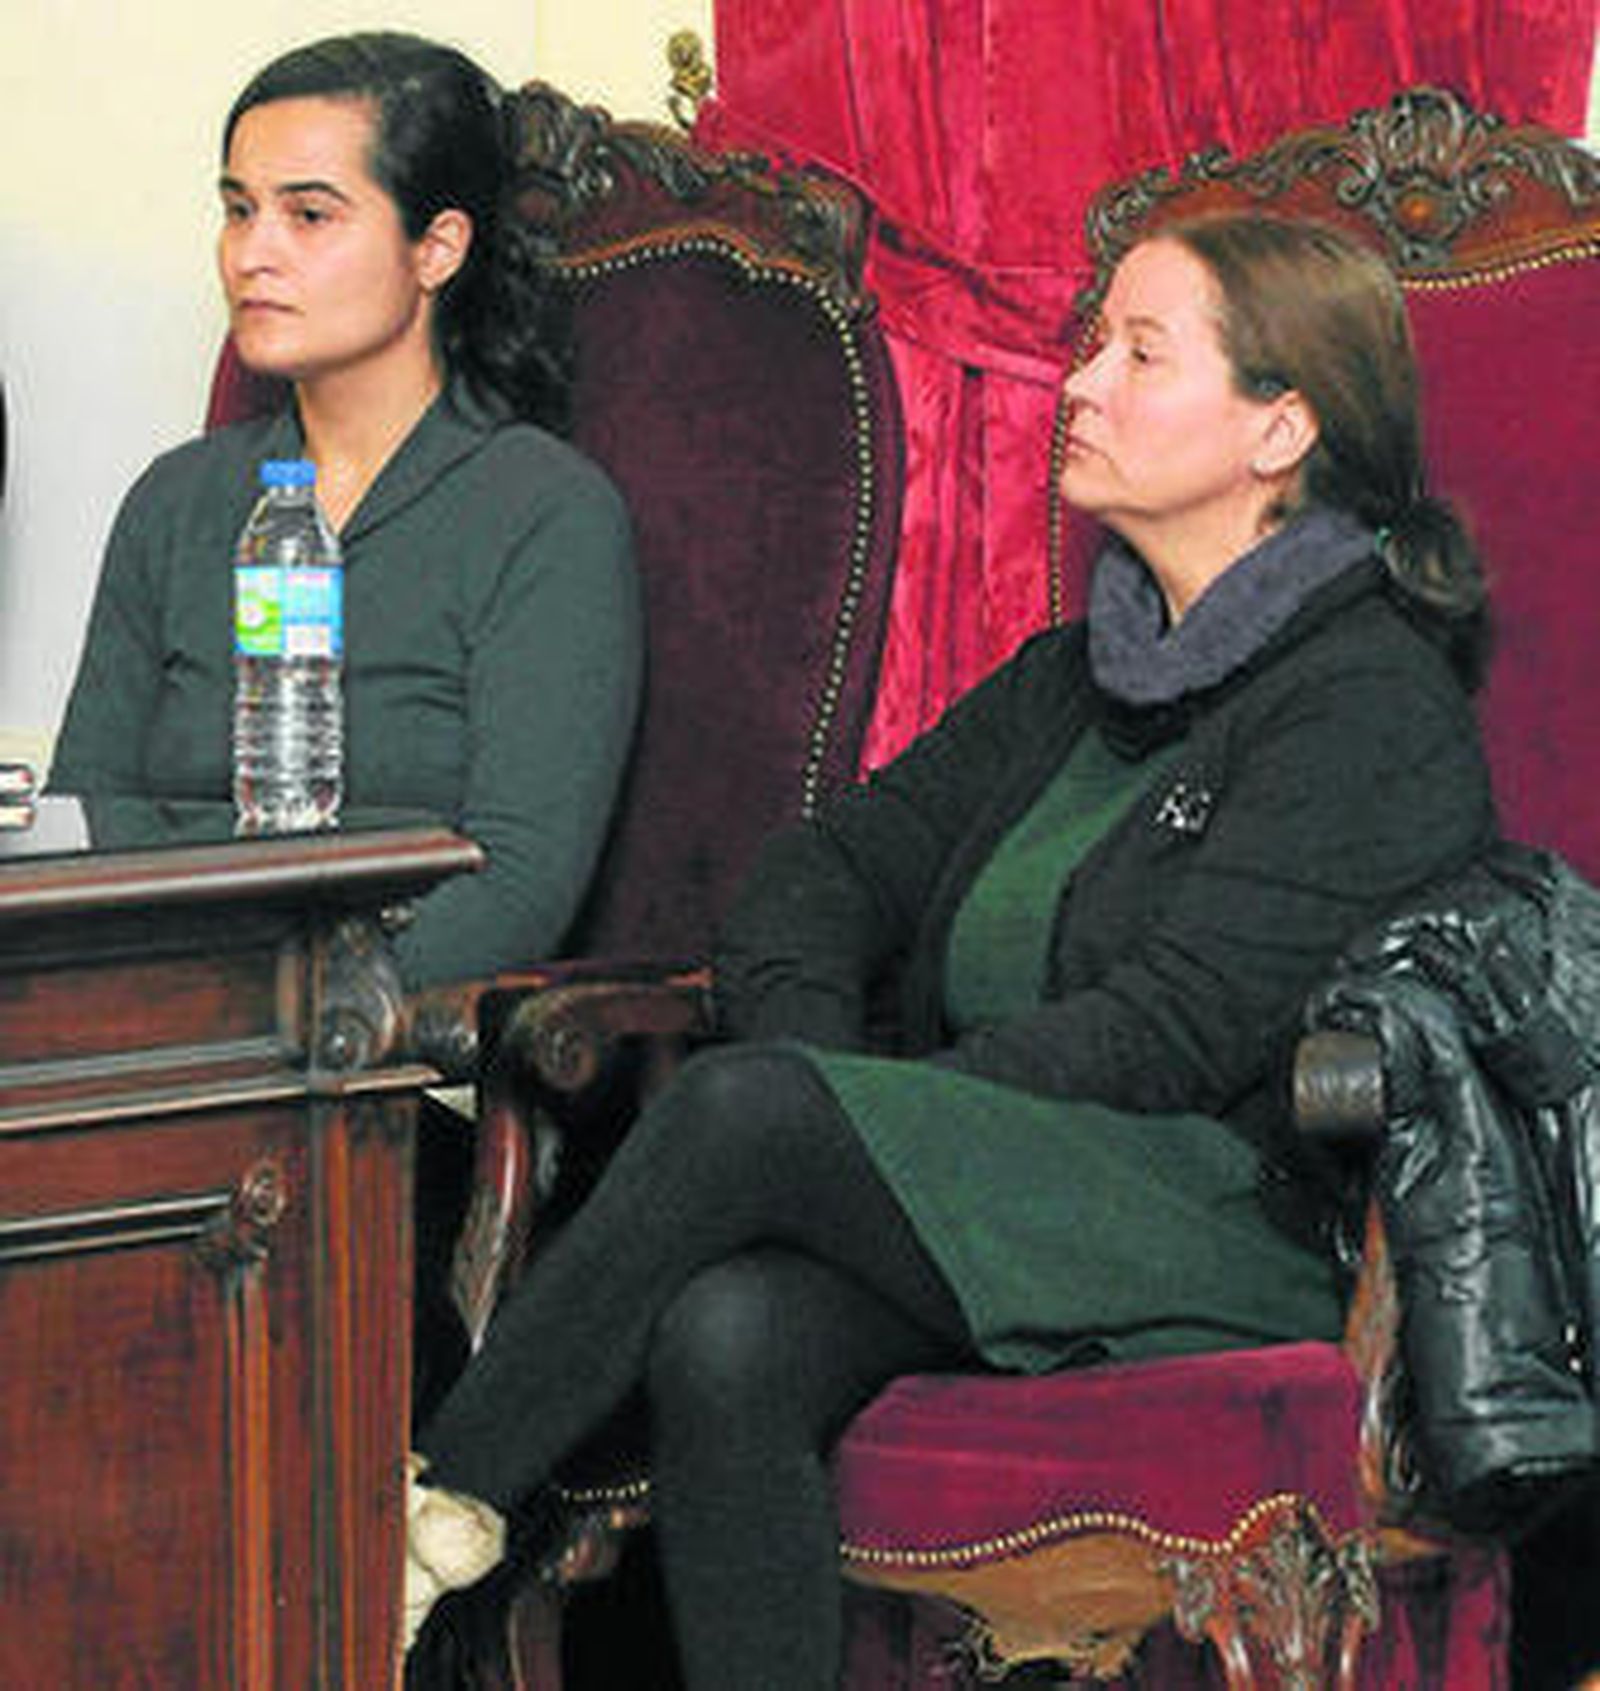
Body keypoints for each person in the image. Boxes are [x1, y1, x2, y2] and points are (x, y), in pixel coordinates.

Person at [403, 213, 1498, 1686]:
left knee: (750, 1106)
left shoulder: (1367, 702)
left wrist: (859, 1119)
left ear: (1278, 428)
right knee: (729, 1330)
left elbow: (1169, 1036)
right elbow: (821, 870)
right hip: (1000, 1184)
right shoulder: (1074, 673)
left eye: (1139, 352)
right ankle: (444, 1521)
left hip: (1228, 1216)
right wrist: (854, 1104)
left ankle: (422, 1519)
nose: (1083, 384)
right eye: (1091, 341)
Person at [50, 32, 642, 990]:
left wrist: (289, 1015)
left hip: (373, 1048)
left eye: (309, 215)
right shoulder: (176, 499)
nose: (253, 253)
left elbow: (521, 885)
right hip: (145, 1028)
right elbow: (88, 816)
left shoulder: (544, 512)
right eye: (239, 211)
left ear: (437, 248)